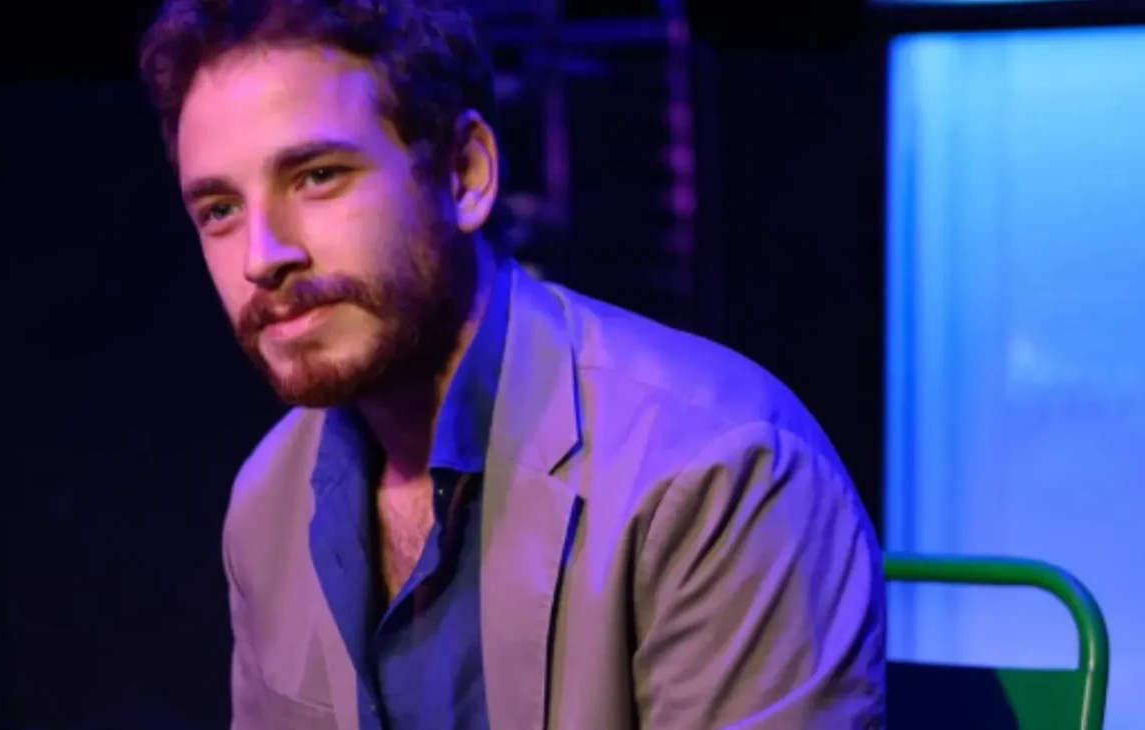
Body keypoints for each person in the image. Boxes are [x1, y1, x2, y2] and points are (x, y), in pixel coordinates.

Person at [139, 1, 885, 727]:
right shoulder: (267, 501)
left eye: (318, 175)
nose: (262, 256)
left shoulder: (720, 470)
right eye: (220, 210)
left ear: (465, 173)